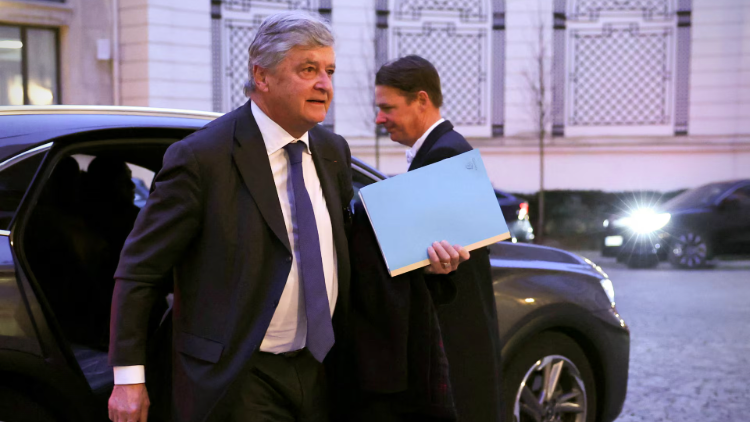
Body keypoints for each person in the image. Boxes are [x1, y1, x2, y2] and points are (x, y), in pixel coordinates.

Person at [107, 13, 461, 422]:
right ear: (262, 76)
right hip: (238, 375)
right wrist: (128, 378)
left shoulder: (333, 151)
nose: (324, 84)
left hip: (322, 371)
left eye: (329, 71)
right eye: (308, 69)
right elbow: (140, 270)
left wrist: (424, 261)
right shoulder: (202, 158)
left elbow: (351, 252)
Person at [369, 55, 505, 422]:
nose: (379, 118)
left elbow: (443, 258)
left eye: (387, 108)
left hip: (452, 334)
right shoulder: (445, 148)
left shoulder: (444, 154)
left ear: (421, 100)